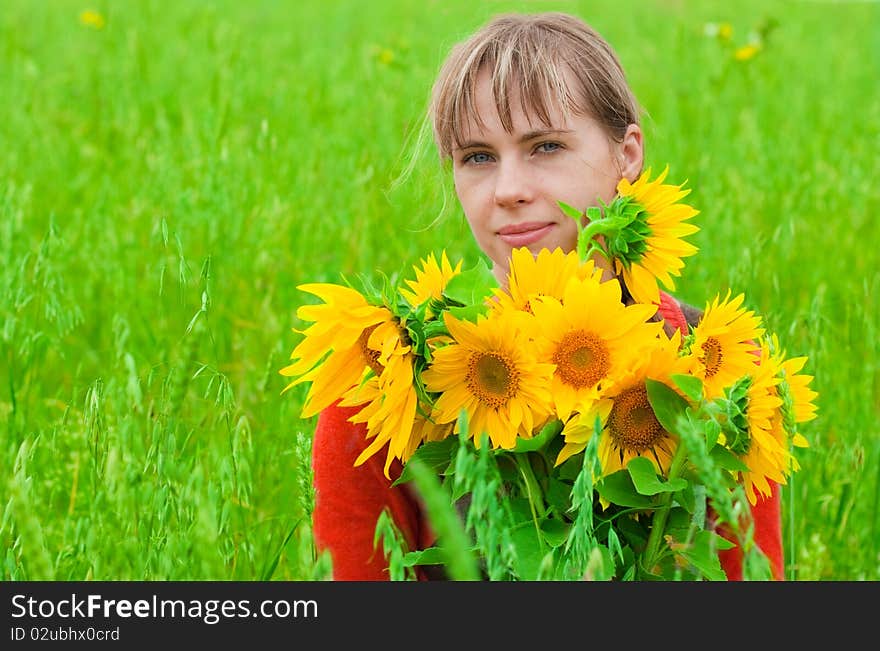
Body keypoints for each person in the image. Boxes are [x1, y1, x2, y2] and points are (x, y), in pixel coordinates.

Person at [310, 11, 783, 581]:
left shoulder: (723, 372)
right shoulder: (383, 390)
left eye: (546, 146)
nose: (509, 191)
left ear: (627, 154)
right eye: (477, 157)